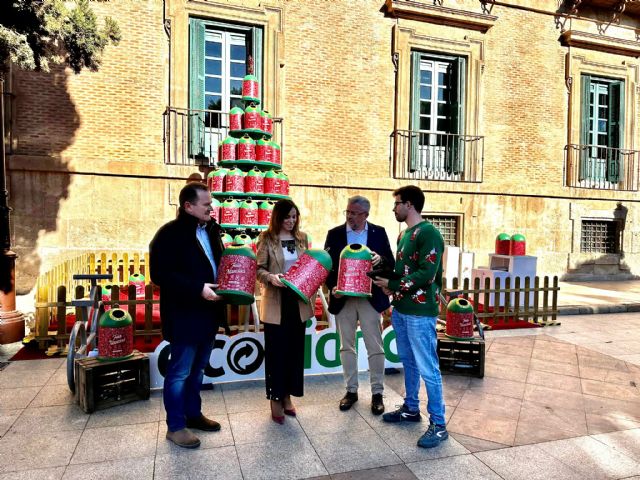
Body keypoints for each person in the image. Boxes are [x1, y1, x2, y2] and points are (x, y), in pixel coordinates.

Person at [149, 181, 226, 449]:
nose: (211, 208)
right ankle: (176, 426)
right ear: (188, 206)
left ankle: (193, 415)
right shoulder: (169, 234)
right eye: (206, 204)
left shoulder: (212, 231)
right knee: (180, 373)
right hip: (184, 315)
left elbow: (218, 263)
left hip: (208, 313)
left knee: (198, 370)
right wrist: (197, 288)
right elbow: (160, 274)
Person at [372, 185, 448, 449]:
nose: (394, 208)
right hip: (403, 309)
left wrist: (393, 285)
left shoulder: (429, 233)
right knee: (409, 362)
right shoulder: (404, 234)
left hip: (420, 311)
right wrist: (383, 272)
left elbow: (427, 273)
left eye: (397, 204)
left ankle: (439, 425)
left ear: (411, 205)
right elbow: (402, 270)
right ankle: (411, 408)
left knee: (428, 366)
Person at [324, 195, 394, 415]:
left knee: (375, 347)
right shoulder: (334, 234)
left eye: (354, 213)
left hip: (369, 298)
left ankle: (377, 393)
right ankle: (351, 391)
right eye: (348, 212)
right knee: (346, 346)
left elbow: (390, 263)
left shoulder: (378, 232)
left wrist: (379, 259)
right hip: (343, 297)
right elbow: (326, 266)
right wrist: (331, 287)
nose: (350, 216)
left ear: (366, 215)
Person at [256, 199, 313, 424]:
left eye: (294, 216)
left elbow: (310, 266)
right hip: (275, 301)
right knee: (276, 353)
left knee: (294, 353)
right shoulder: (266, 239)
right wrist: (271, 277)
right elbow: (258, 269)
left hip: (297, 302)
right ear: (277, 217)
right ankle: (276, 398)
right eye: (287, 216)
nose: (291, 221)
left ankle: (288, 395)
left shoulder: (302, 238)